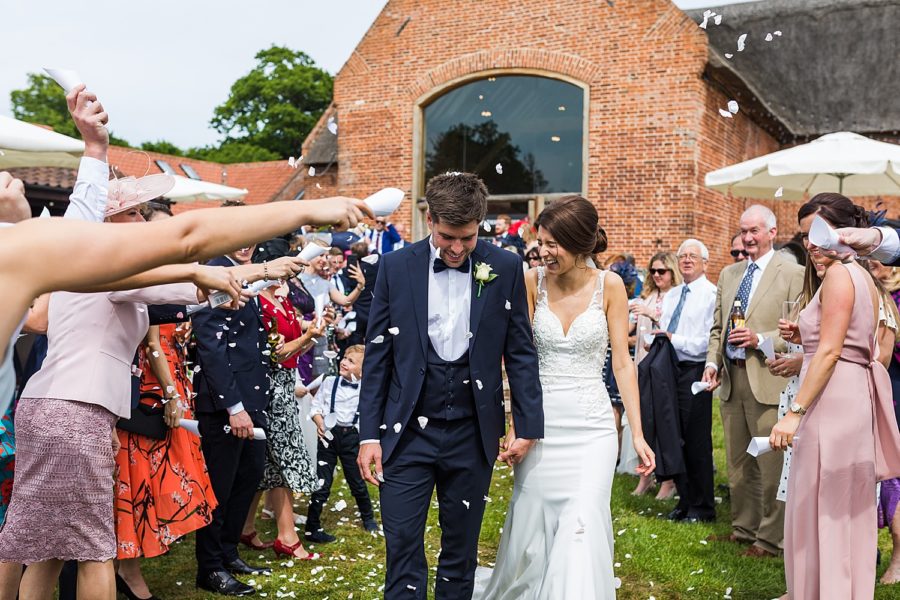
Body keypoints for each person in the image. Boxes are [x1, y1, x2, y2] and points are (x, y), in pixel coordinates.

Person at [356, 172, 543, 599]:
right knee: (402, 544)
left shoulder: (507, 266)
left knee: (461, 551)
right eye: (447, 237)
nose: (457, 249)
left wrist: (526, 423)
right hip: (404, 435)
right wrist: (368, 435)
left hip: (471, 431)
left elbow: (520, 351)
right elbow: (379, 356)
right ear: (428, 219)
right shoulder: (394, 266)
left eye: (468, 238)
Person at [476, 196, 654, 599]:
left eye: (553, 243)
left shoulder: (610, 286)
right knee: (532, 523)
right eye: (541, 242)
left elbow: (623, 365)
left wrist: (637, 433)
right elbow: (515, 359)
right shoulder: (530, 282)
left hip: (592, 428)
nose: (543, 252)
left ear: (580, 244)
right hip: (541, 425)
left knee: (582, 521)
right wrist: (516, 422)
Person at [769, 193, 900, 600]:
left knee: (822, 506)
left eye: (817, 233)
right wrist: (804, 334)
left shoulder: (841, 275)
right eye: (805, 235)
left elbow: (830, 351)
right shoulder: (865, 277)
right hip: (850, 397)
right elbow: (846, 342)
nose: (809, 243)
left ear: (846, 233)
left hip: (831, 402)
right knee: (843, 508)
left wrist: (794, 412)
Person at [113, 203, 218, 600]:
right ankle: (124, 570)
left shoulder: (161, 275)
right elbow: (153, 344)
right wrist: (172, 393)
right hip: (147, 390)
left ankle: (126, 567)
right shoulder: (140, 276)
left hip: (167, 381)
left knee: (143, 482)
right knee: (135, 482)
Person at [701, 205, 804, 557]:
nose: (747, 237)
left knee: (771, 464)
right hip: (732, 380)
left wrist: (760, 339)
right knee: (739, 463)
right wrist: (712, 364)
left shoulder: (793, 272)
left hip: (770, 379)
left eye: (755, 230)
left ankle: (771, 539)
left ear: (772, 232)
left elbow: (799, 328)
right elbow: (718, 328)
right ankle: (743, 528)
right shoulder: (729, 274)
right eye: (744, 230)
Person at [243, 253, 322, 561]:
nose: (291, 273)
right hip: (271, 386)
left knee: (268, 461)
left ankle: (246, 526)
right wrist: (306, 337)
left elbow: (294, 347)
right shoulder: (258, 303)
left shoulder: (282, 298)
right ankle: (287, 536)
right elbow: (273, 354)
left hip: (287, 381)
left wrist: (310, 337)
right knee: (283, 458)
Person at [656, 239, 718, 523]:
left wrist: (674, 339)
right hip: (670, 367)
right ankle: (684, 500)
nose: (687, 260)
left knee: (696, 440)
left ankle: (703, 506)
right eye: (682, 256)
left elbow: (709, 340)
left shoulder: (711, 294)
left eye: (693, 256)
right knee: (674, 436)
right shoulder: (672, 295)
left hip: (695, 371)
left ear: (705, 262)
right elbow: (666, 329)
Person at [305, 345, 378, 543]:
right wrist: (320, 423)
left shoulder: (366, 389)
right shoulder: (329, 382)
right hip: (329, 436)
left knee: (357, 481)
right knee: (322, 483)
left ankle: (368, 518)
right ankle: (312, 526)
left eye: (351, 361)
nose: (344, 362)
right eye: (344, 357)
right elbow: (316, 406)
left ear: (363, 371)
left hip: (351, 438)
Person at [626, 251, 681, 498]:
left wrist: (651, 315)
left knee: (662, 422)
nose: (657, 275)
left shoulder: (676, 297)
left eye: (662, 271)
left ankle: (668, 480)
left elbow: (674, 331)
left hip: (663, 366)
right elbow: (629, 330)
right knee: (642, 420)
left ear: (672, 272)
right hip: (642, 363)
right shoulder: (645, 297)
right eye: (653, 271)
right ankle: (644, 476)